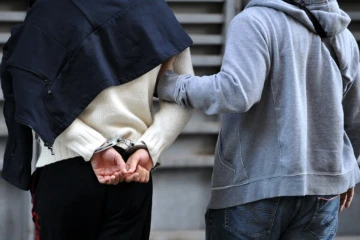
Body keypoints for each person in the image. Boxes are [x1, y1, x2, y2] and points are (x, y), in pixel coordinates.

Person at [157, 0, 360, 239]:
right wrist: (348, 169)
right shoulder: (343, 35)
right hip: (322, 197)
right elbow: (354, 118)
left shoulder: (254, 21)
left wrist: (171, 84)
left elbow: (235, 92)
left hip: (253, 191)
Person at [0, 0, 194, 239]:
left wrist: (92, 146)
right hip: (132, 170)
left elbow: (31, 92)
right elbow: (185, 94)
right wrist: (150, 147)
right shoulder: (155, 10)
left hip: (65, 171)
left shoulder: (50, 10)